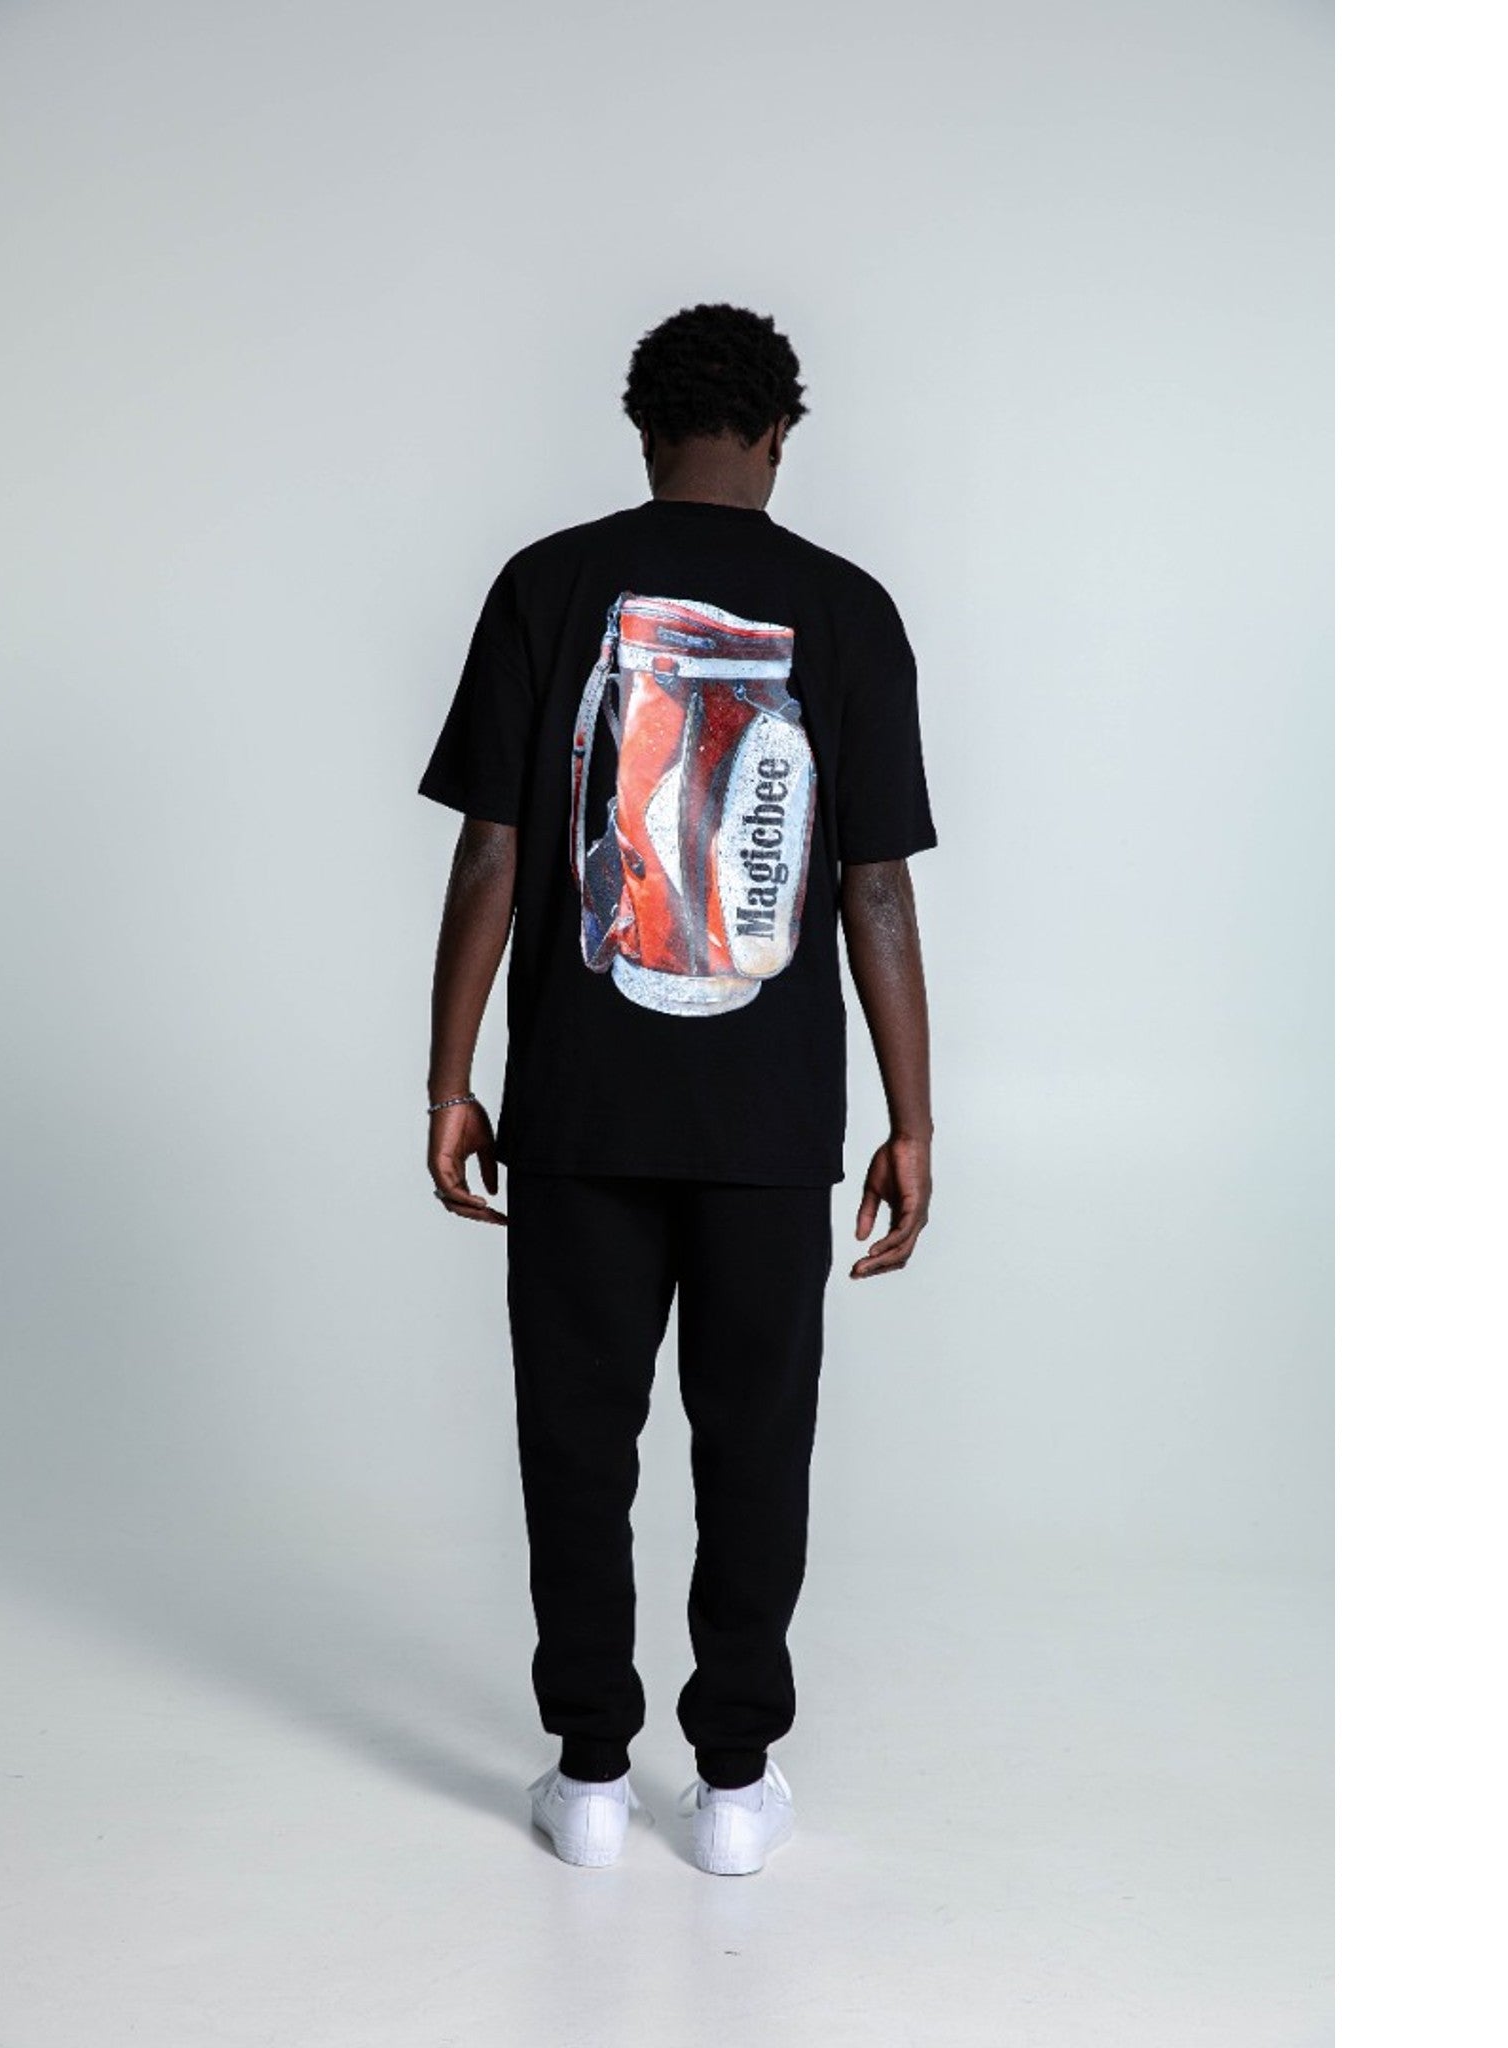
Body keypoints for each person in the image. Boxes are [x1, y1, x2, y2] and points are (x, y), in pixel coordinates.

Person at [419, 303, 936, 1876]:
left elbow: (495, 854)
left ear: (644, 431)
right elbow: (875, 893)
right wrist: (913, 1120)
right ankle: (730, 1788)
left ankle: (588, 1778)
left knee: (576, 1438)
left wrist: (449, 1080)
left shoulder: (547, 584)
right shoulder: (847, 610)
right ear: (779, 433)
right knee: (754, 1442)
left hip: (580, 1109)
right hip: (770, 1123)